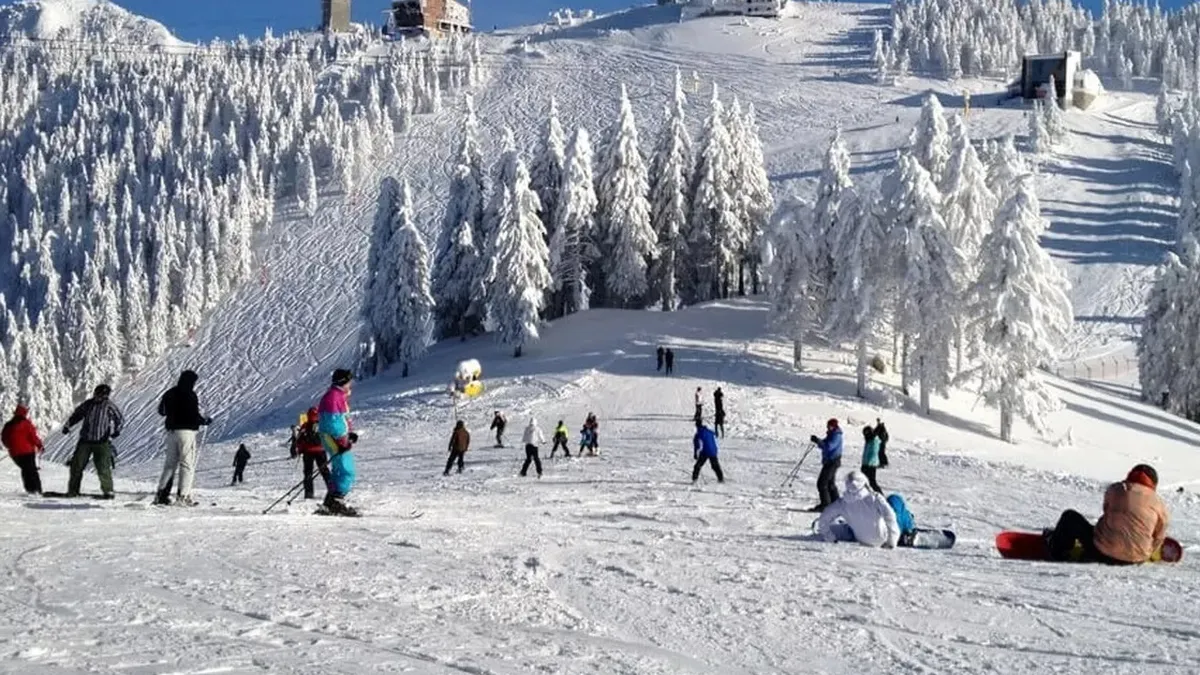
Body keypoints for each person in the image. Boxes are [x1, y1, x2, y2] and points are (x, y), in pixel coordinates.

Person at [1046, 464, 1169, 564]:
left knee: (1070, 517)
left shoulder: (1116, 489)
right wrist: (1148, 549)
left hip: (1102, 552)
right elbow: (1159, 535)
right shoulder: (1159, 502)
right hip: (1137, 558)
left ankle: (1057, 550)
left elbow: (1107, 510)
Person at [155, 371, 212, 506]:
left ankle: (161, 495)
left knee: (170, 465)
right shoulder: (190, 395)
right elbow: (193, 415)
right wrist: (203, 421)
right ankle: (183, 496)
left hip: (171, 432)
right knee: (186, 464)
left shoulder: (170, 393)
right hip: (187, 432)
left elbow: (161, 411)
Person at [64, 384, 124, 499]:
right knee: (76, 466)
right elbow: (77, 415)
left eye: (101, 395)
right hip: (85, 441)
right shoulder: (88, 404)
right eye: (96, 394)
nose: (98, 397)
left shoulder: (109, 406)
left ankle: (108, 491)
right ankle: (73, 490)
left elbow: (119, 419)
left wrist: (116, 431)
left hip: (102, 442)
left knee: (103, 467)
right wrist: (68, 425)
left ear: (105, 396)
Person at [815, 470, 900, 548]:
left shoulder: (842, 503)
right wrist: (892, 541)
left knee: (848, 526)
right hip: (882, 538)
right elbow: (890, 517)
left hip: (861, 539)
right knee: (895, 500)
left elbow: (823, 519)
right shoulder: (875, 499)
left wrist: (830, 538)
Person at [319, 368, 359, 516]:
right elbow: (333, 422)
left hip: (335, 437)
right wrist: (342, 439)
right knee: (346, 469)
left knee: (339, 469)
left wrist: (349, 433)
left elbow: (340, 419)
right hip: (334, 438)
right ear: (343, 382)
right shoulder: (333, 397)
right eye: (349, 381)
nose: (351, 384)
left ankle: (331, 501)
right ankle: (336, 501)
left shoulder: (336, 396)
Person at [2, 405, 44, 494]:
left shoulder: (8, 425)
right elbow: (33, 437)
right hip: (27, 452)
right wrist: (40, 446)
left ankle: (30, 490)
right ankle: (37, 491)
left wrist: (10, 447)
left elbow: (4, 438)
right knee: (32, 471)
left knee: (25, 470)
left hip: (15, 454)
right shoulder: (26, 423)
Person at [810, 418, 843, 511]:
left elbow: (829, 446)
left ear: (834, 426)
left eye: (830, 426)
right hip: (830, 461)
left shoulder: (836, 435)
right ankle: (836, 504)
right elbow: (824, 444)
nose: (828, 427)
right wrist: (817, 441)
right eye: (828, 426)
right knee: (830, 483)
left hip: (832, 461)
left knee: (822, 483)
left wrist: (819, 441)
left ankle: (826, 505)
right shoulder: (832, 434)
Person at [297, 407, 329, 499]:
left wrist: (300, 450)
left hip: (308, 453)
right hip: (321, 451)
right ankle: (332, 490)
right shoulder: (323, 425)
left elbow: (299, 440)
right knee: (325, 472)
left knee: (308, 473)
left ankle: (309, 493)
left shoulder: (305, 426)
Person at [860, 426, 882, 493]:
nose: (865, 435)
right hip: (866, 464)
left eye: (866, 433)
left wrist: (868, 464)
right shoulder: (869, 440)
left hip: (870, 465)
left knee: (872, 482)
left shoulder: (874, 440)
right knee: (864, 482)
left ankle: (881, 496)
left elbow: (874, 452)